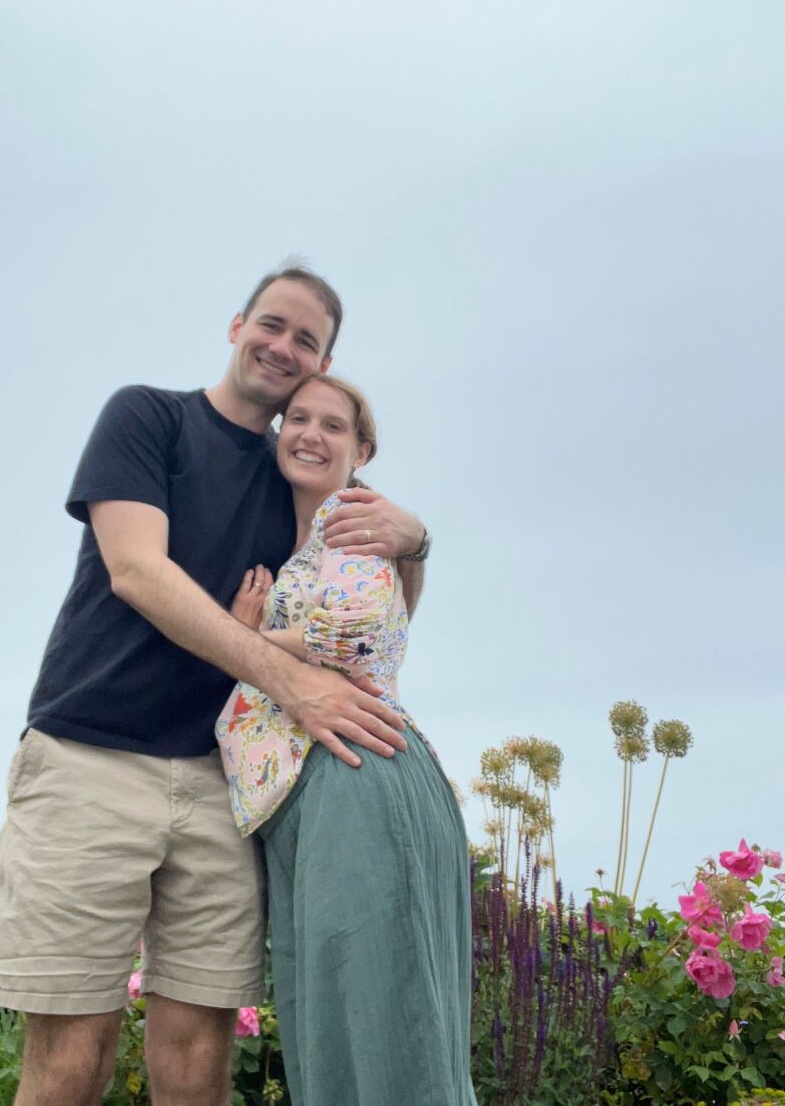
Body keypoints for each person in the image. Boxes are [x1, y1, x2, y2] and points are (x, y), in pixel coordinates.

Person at [0, 266, 431, 1106]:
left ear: (322, 360)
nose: (282, 345)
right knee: (73, 1053)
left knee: (197, 1059)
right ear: (236, 325)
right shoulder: (148, 417)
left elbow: (369, 618)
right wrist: (286, 676)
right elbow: (138, 571)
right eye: (273, 323)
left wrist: (418, 542)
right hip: (90, 759)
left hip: (222, 788)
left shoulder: (297, 478)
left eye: (307, 339)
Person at [217, 374, 476, 1106]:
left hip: (356, 774)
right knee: (331, 1034)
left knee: (385, 1033)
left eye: (333, 425)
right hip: (319, 786)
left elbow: (356, 631)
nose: (310, 433)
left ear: (362, 448)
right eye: (297, 418)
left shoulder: (356, 520)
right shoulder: (300, 543)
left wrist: (246, 638)